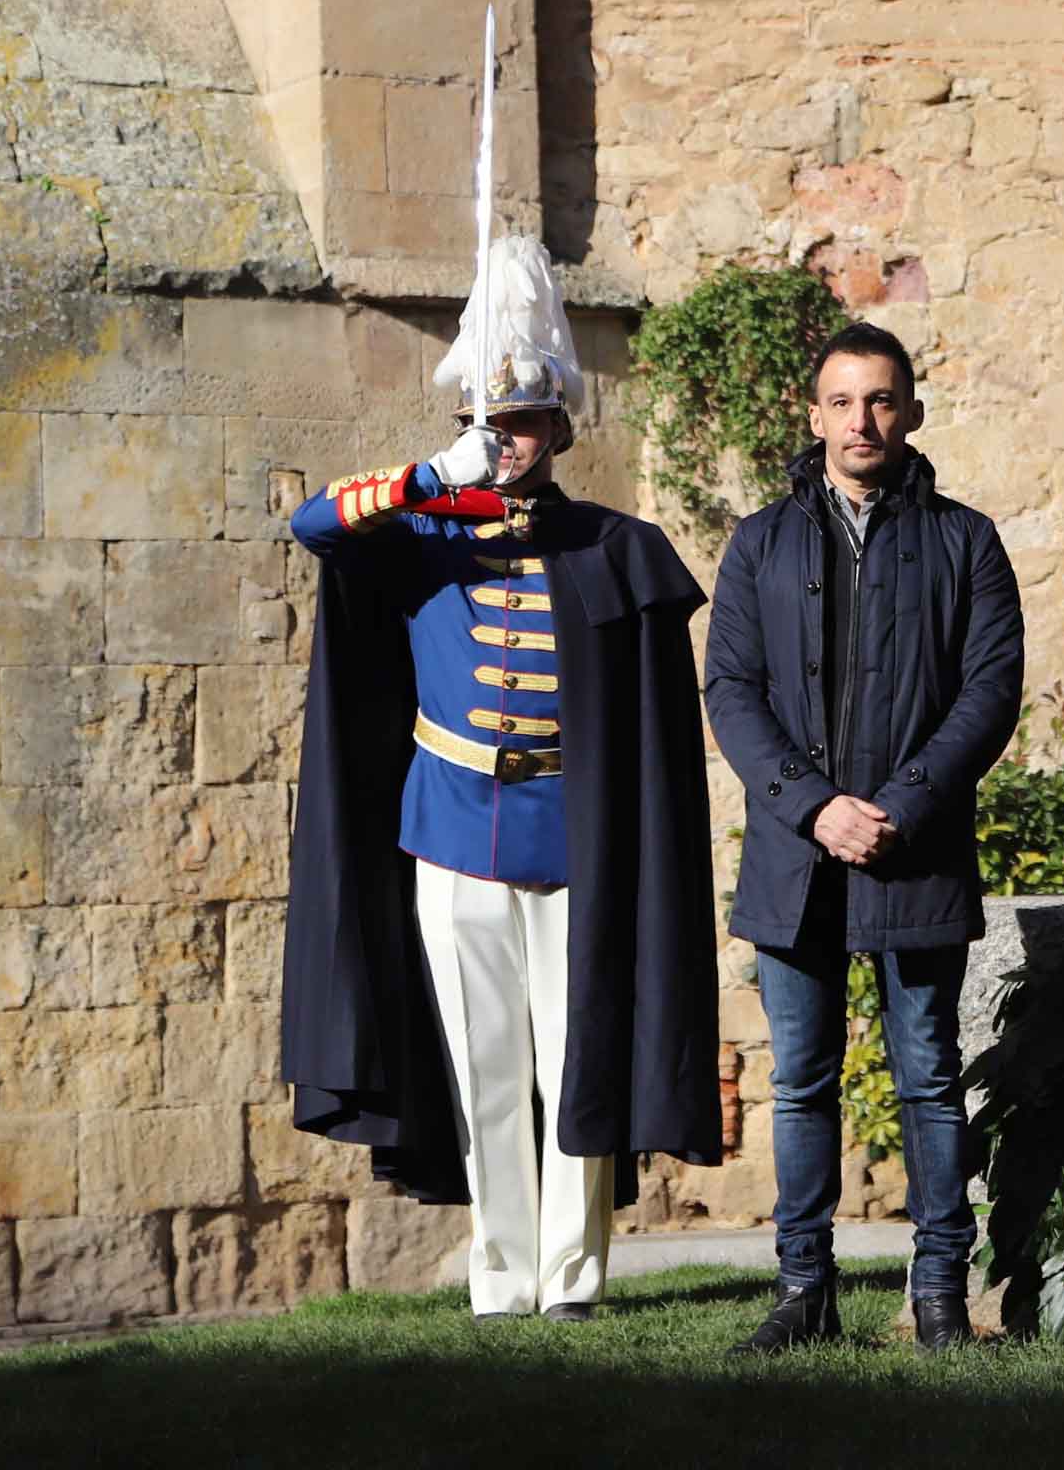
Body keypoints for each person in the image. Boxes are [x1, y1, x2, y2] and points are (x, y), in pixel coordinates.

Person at [279, 235, 721, 1321]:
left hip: (570, 829)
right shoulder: (421, 530)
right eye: (491, 419)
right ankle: (501, 1271)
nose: (510, 439)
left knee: (575, 1055)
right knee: (483, 1062)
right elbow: (311, 524)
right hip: (451, 820)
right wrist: (436, 480)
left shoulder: (611, 543)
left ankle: (572, 1276)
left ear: (562, 428)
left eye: (525, 420)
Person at [706, 323, 1025, 1353]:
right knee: (800, 1077)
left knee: (928, 1073)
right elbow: (733, 690)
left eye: (882, 400)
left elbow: (989, 688)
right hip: (798, 857)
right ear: (814, 415)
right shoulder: (760, 542)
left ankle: (938, 1289)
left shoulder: (964, 539)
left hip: (912, 849)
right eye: (842, 401)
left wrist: (902, 801)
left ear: (912, 412)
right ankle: (805, 1287)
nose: (862, 420)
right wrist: (813, 805)